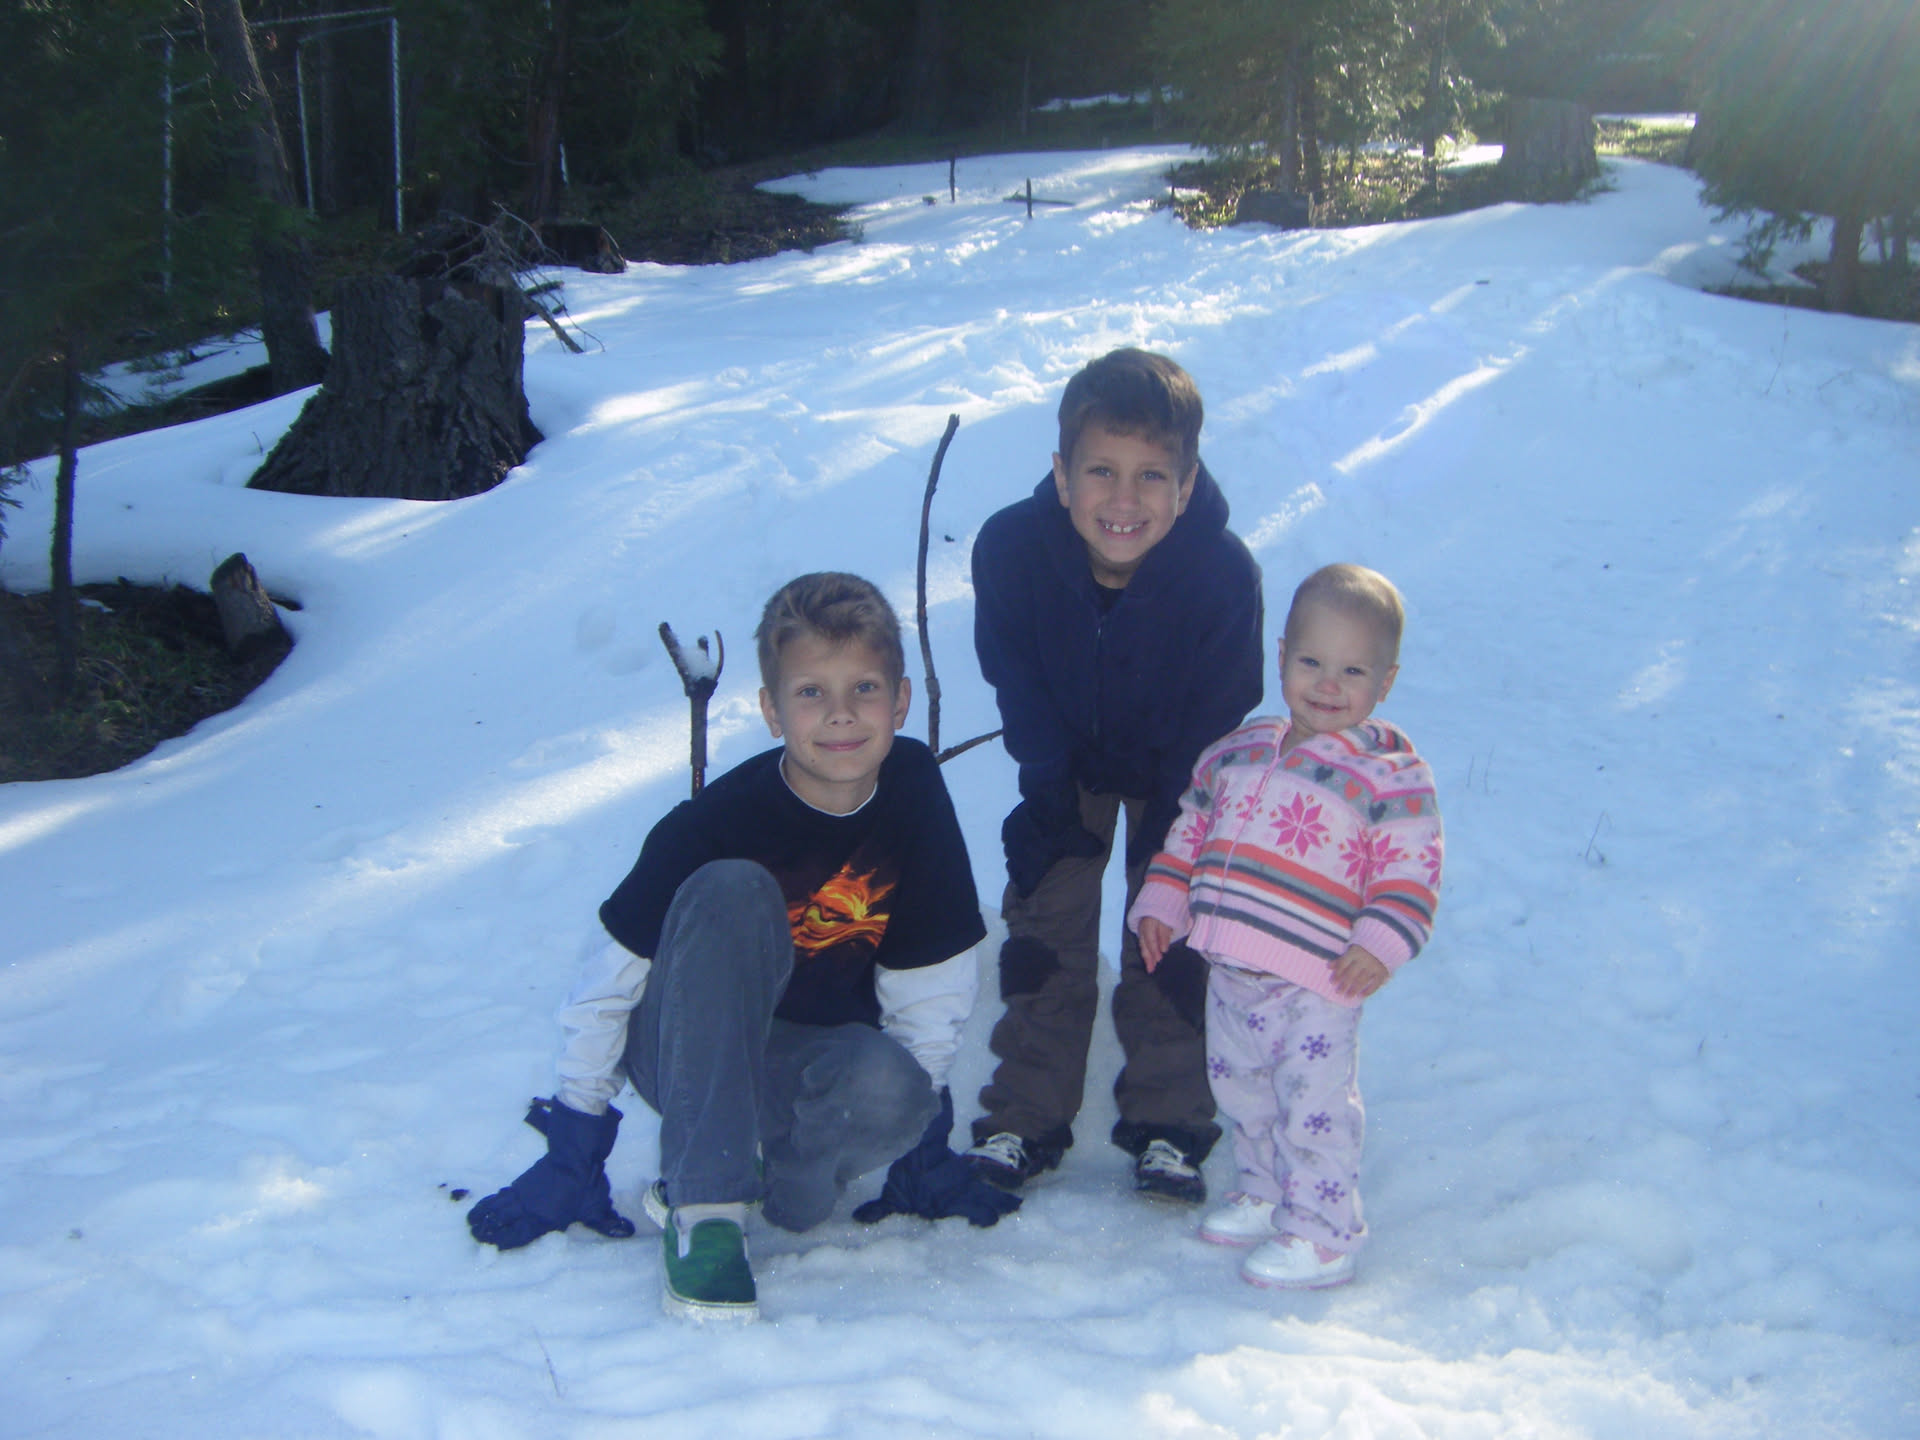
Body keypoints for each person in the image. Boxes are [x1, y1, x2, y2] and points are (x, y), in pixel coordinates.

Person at [466, 572, 1016, 1323]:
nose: (842, 713)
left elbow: (931, 972)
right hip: (684, 1046)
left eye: (863, 688)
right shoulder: (718, 823)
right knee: (732, 888)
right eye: (811, 692)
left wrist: (919, 1142)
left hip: (806, 1063)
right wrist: (575, 1146)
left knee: (883, 1105)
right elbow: (609, 979)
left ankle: (769, 1178)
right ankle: (706, 1212)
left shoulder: (911, 790)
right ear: (771, 710)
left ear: (900, 700)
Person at [965, 347, 1265, 1204]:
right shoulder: (1012, 550)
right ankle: (1025, 1114)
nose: (1124, 500)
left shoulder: (1222, 576)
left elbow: (1223, 708)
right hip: (1062, 756)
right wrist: (1050, 785)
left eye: (1151, 476)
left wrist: (1171, 849)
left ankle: (1170, 1121)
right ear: (1062, 475)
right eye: (1101, 471)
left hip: (1178, 773)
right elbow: (1012, 673)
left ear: (1187, 481)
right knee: (1046, 920)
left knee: (1168, 928)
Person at [1129, 564, 1443, 1289]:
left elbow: (1411, 869)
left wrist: (1380, 942)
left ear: (1386, 681)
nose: (1328, 685)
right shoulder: (1238, 751)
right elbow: (1191, 831)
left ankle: (1326, 1236)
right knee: (1243, 1092)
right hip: (1232, 970)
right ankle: (1267, 1193)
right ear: (1281, 657)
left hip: (1318, 979)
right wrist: (1164, 902)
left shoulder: (1387, 775)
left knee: (1313, 1107)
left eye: (1353, 670)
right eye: (1311, 662)